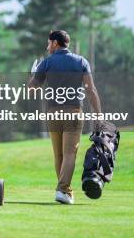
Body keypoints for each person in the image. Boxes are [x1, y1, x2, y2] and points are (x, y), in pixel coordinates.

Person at [28, 30, 102, 205]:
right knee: (70, 154)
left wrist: (32, 75)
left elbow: (31, 89)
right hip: (73, 112)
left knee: (59, 155)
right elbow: (90, 90)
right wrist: (98, 114)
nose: (47, 47)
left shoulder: (46, 63)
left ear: (55, 43)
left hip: (53, 113)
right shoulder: (81, 61)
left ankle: (65, 190)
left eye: (48, 43)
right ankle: (62, 189)